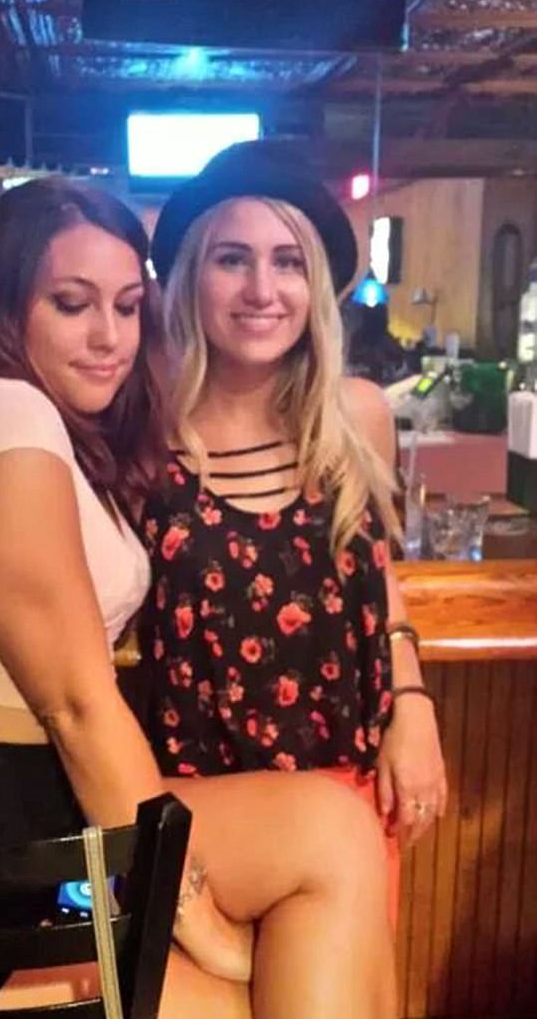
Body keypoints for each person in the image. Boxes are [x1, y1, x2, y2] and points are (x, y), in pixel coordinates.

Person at [0, 176, 395, 1019]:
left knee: (338, 833)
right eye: (71, 304)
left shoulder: (61, 430)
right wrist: (195, 919)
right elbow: (77, 704)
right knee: (262, 995)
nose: (109, 336)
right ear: (1, 303)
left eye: (128, 307)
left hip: (39, 819)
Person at [139, 141, 447, 925]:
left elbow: (376, 576)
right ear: (190, 277)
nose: (262, 290)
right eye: (232, 260)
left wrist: (413, 704)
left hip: (352, 780)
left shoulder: (357, 416)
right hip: (208, 804)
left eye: (288, 262)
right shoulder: (141, 434)